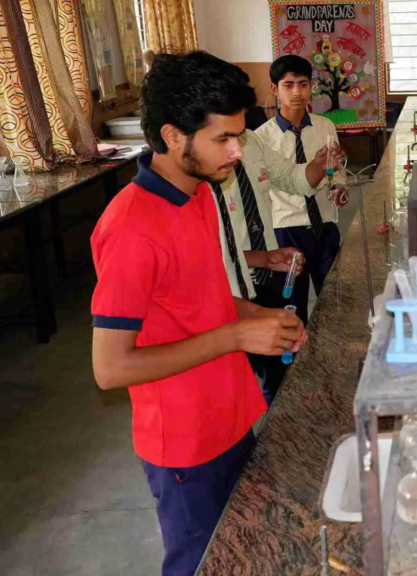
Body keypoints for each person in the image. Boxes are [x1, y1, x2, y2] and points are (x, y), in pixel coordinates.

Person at [90, 51, 308, 576]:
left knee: (245, 552)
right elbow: (110, 368)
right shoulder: (131, 228)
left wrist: (260, 317)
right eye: (223, 139)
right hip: (185, 443)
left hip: (230, 413)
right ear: (172, 136)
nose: (237, 152)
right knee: (202, 562)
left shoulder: (200, 195)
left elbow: (202, 298)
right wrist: (236, 336)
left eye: (240, 136)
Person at [212, 123, 342, 405]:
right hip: (229, 286)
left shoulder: (251, 142)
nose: (236, 149)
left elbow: (292, 177)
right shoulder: (202, 168)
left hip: (266, 273)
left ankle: (281, 413)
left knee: (278, 366)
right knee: (236, 380)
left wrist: (319, 166)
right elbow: (212, 251)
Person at [255, 55, 346, 325]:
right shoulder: (261, 138)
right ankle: (296, 351)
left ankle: (331, 347)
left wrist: (339, 185)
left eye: (303, 84)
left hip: (325, 225)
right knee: (291, 305)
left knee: (335, 299)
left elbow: (335, 170)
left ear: (311, 87)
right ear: (275, 89)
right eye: (288, 85)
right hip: (286, 229)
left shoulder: (324, 127)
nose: (297, 92)